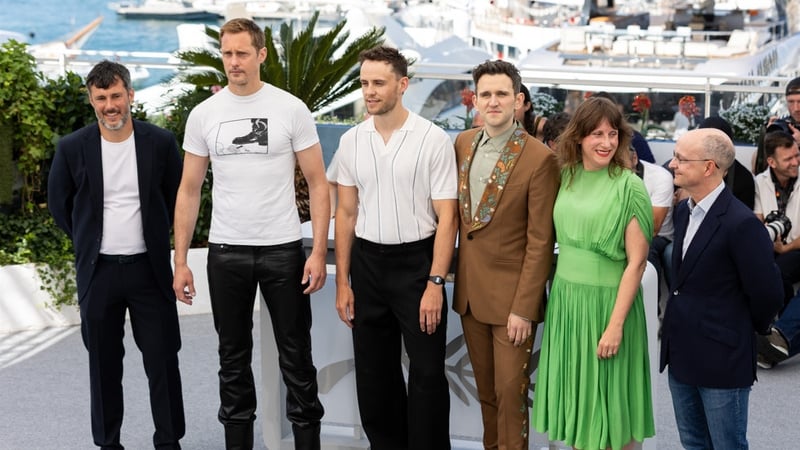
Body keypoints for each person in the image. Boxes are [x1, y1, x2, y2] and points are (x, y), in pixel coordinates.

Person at [172, 18, 330, 449]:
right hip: (226, 252)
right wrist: (181, 260)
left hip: (282, 250)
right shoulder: (204, 115)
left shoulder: (291, 108)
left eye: (242, 53)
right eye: (227, 53)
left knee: (297, 359)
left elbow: (318, 183)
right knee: (232, 361)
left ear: (261, 55)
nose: (234, 62)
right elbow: (188, 190)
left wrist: (317, 251)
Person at [48, 60, 185, 449]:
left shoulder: (160, 142)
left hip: (149, 271)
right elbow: (59, 204)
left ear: (130, 95)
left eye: (116, 96)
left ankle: (169, 442)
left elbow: (177, 198)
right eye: (101, 98)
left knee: (163, 361)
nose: (110, 106)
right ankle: (108, 444)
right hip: (99, 273)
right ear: (91, 101)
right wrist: (88, 240)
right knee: (103, 367)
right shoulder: (72, 147)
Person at [334, 45, 457, 449]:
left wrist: (435, 282)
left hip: (417, 266)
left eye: (379, 83)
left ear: (402, 85)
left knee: (427, 374)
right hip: (367, 265)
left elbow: (448, 218)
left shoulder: (432, 140)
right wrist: (343, 283)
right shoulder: (351, 141)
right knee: (374, 374)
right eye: (364, 83)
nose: (369, 91)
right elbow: (346, 214)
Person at [533, 96, 655, 450]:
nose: (606, 142)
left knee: (613, 405)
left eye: (612, 133)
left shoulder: (629, 186)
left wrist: (615, 326)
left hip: (608, 306)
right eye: (597, 134)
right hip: (567, 304)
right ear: (579, 137)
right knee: (580, 404)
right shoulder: (566, 176)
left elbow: (637, 262)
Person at [452, 60, 559, 450]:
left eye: (501, 94)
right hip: (469, 294)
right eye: (486, 94)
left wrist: (524, 308)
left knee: (511, 395)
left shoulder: (539, 158)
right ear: (475, 100)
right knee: (486, 394)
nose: (493, 101)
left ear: (518, 100)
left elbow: (540, 241)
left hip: (513, 301)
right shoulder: (463, 143)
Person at [660, 128, 783, 449]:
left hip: (723, 357)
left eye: (681, 159)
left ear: (708, 167)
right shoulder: (684, 212)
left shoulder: (741, 223)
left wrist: (737, 330)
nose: (672, 164)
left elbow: (768, 294)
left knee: (727, 444)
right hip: (682, 352)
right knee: (693, 443)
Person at [753, 130, 800, 305]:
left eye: (797, 155)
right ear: (771, 162)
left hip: (796, 248)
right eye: (788, 159)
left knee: (778, 272)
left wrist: (785, 248)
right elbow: (758, 222)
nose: (795, 162)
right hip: (770, 248)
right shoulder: (759, 182)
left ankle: (784, 320)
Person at [629, 140, 674, 297]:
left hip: (659, 236)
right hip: (623, 231)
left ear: (634, 158)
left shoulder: (660, 177)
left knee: (644, 248)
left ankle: (651, 307)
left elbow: (653, 228)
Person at [753, 76, 800, 174]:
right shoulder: (784, 125)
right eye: (791, 102)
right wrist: (768, 140)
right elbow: (757, 169)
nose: (796, 108)